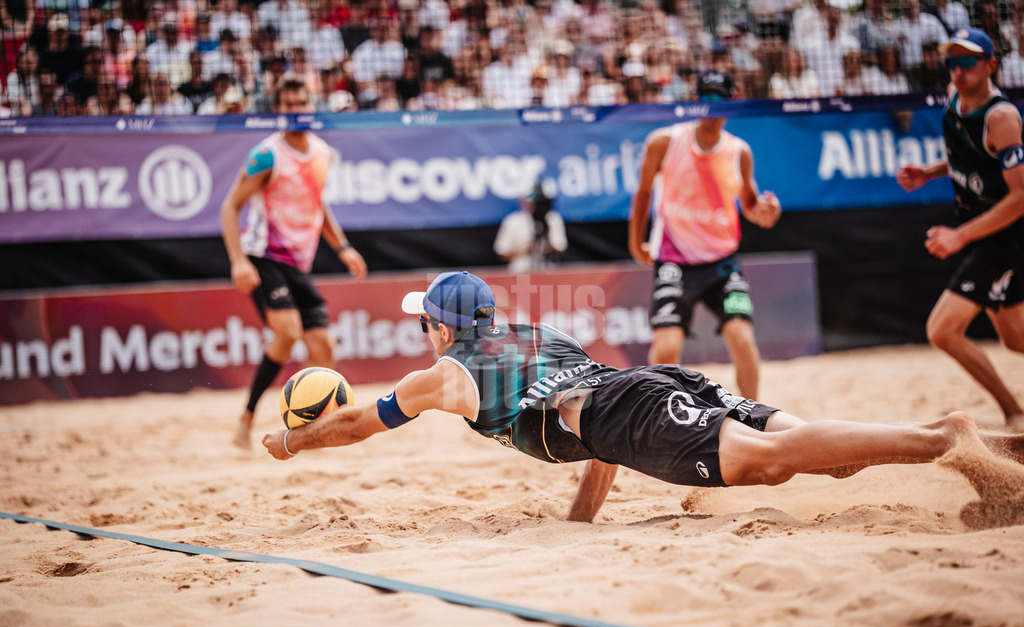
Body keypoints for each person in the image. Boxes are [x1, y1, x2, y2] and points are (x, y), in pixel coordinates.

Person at [260, 270, 1024, 524]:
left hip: (628, 407)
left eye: (425, 319)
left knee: (773, 460)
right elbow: (597, 431)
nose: (421, 329)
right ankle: (992, 451)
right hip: (647, 388)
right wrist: (581, 520)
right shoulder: (534, 333)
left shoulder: (445, 374)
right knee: (809, 453)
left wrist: (292, 440)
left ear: (444, 325)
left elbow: (357, 423)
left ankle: (944, 437)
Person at [221, 77, 368, 448]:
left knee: (323, 348)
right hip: (263, 255)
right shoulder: (266, 155)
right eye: (288, 105)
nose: (296, 111)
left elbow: (318, 204)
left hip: (298, 263)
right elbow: (229, 207)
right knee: (287, 334)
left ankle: (315, 430)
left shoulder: (323, 153)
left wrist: (343, 247)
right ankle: (246, 420)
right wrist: (238, 261)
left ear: (311, 106)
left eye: (301, 104)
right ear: (277, 110)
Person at [897, 27, 1024, 431]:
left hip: (1005, 237)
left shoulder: (1001, 117)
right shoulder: (954, 99)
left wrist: (961, 236)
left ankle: (1013, 411)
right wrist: (929, 172)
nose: (958, 69)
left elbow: (1021, 197)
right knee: (1016, 339)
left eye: (968, 61)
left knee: (942, 330)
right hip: (982, 232)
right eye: (952, 62)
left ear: (990, 65)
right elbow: (967, 161)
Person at [628, 70, 781, 402]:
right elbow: (642, 193)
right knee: (666, 349)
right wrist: (635, 242)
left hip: (722, 262)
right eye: (706, 97)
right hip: (674, 261)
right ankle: (655, 412)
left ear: (731, 102)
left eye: (718, 98)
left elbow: (751, 205)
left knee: (742, 338)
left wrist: (766, 211)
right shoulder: (665, 141)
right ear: (696, 101)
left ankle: (754, 413)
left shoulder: (738, 151)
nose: (711, 105)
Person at [494, 182, 568, 273]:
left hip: (549, 271)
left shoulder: (553, 219)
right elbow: (502, 253)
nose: (533, 204)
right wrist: (526, 248)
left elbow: (560, 248)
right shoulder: (512, 221)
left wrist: (546, 230)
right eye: (530, 200)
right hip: (520, 272)